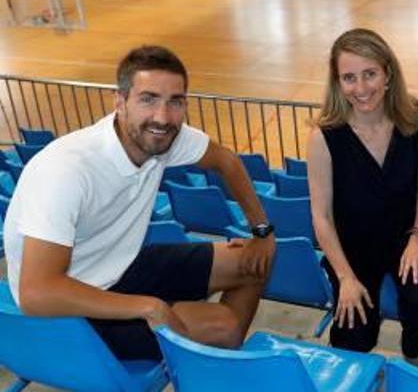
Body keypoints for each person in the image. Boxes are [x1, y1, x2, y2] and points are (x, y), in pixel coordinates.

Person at [3, 45, 276, 361]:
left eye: (175, 102)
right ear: (120, 102)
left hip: (120, 262)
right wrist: (146, 305)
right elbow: (37, 293)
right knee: (224, 329)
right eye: (148, 99)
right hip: (72, 302)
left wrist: (262, 230)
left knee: (255, 260)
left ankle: (194, 357)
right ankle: (198, 356)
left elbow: (225, 160)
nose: (162, 117)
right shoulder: (67, 170)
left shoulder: (165, 137)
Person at [307, 28, 418, 358]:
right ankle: (362, 317)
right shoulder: (324, 137)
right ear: (338, 82)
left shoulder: (416, 115)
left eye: (370, 74)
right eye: (349, 78)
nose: (362, 88)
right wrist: (345, 278)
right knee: (353, 340)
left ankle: (413, 339)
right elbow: (321, 217)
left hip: (407, 234)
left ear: (388, 73)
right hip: (353, 246)